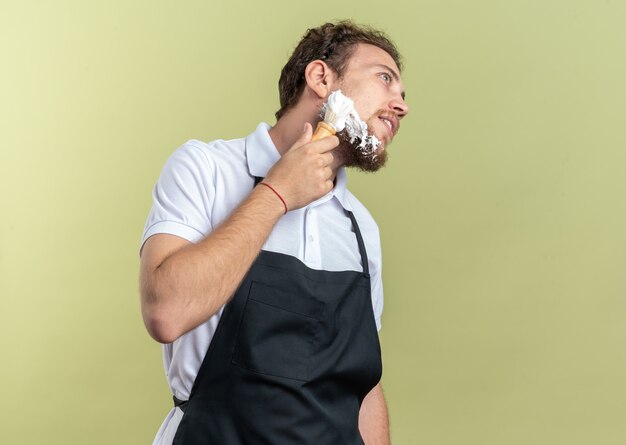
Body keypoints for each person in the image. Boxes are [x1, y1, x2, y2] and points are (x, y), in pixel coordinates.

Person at [139, 20, 409, 445]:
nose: (401, 105)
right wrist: (277, 193)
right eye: (384, 78)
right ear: (321, 78)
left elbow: (364, 386)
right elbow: (165, 312)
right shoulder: (205, 170)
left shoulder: (361, 229)